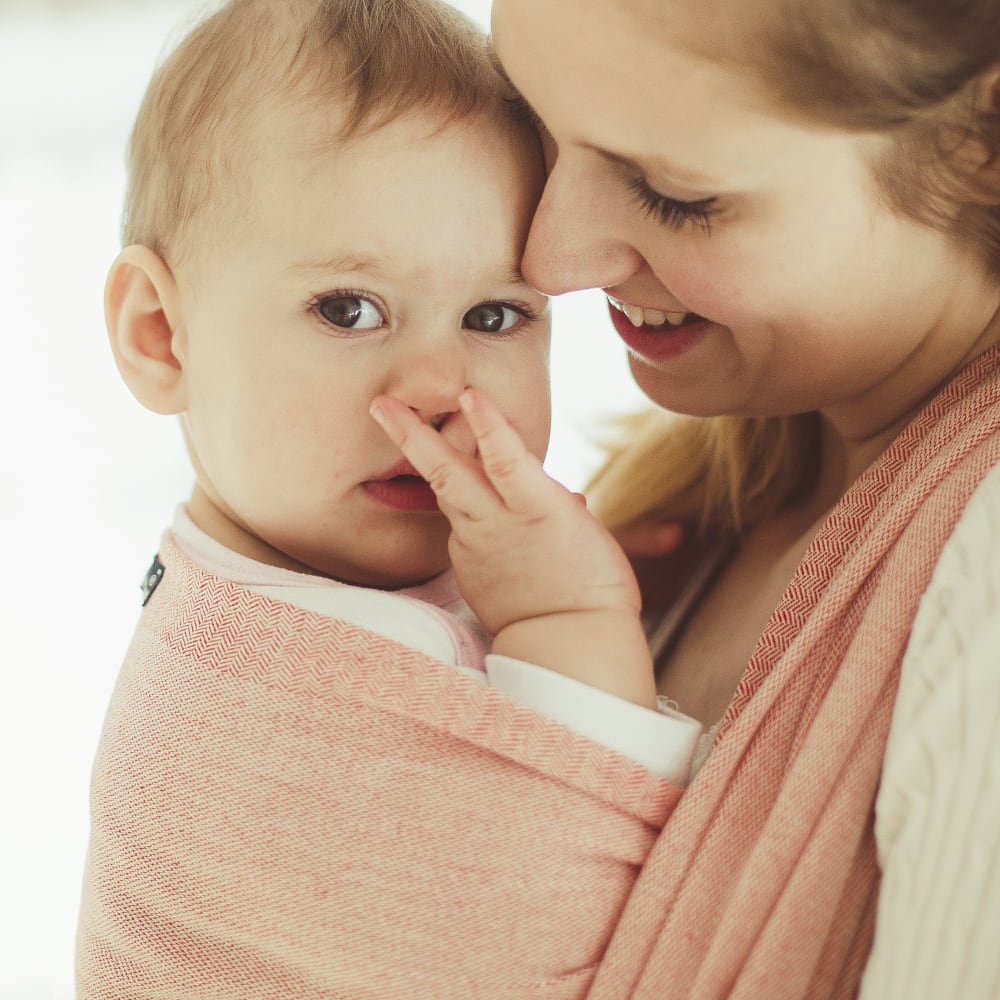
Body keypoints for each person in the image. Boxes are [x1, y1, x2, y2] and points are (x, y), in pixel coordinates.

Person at [369, 0, 1000, 996]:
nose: (548, 260)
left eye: (671, 193)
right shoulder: (696, 507)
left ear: (981, 144)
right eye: (534, 121)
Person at [76, 0, 702, 996]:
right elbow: (587, 944)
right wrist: (568, 620)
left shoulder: (290, 574)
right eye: (349, 309)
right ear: (162, 336)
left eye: (494, 315)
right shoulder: (257, 695)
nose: (438, 387)